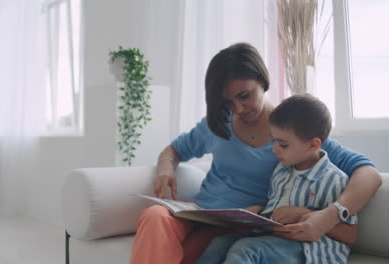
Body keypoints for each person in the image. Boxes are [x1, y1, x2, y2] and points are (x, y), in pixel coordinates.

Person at [129, 43, 382, 264]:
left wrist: (328, 216)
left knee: (200, 252)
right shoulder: (218, 124)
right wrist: (165, 169)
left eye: (244, 96)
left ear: (262, 80)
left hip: (239, 228)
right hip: (201, 212)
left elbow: (369, 174)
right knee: (154, 215)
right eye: (228, 102)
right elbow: (174, 150)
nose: (238, 108)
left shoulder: (294, 129)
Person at [197, 94, 357, 264]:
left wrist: (306, 214)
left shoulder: (334, 180)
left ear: (313, 145)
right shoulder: (281, 171)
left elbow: (350, 234)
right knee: (219, 243)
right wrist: (259, 211)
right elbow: (277, 209)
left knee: (247, 249)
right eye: (274, 142)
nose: (274, 150)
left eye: (283, 145)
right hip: (273, 237)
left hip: (310, 250)